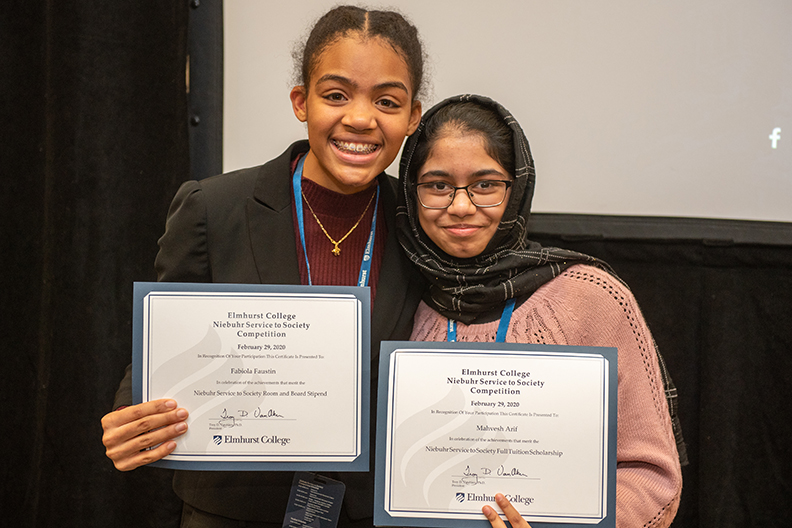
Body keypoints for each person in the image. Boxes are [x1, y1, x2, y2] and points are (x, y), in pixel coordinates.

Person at [101, 5, 427, 527]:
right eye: (336, 94)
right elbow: (166, 344)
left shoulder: (423, 227)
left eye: (387, 101)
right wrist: (133, 415)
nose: (361, 118)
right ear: (302, 102)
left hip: (371, 511)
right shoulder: (214, 208)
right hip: (232, 509)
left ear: (412, 116)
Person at [395, 94, 684, 528]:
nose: (460, 205)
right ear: (410, 191)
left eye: (485, 185)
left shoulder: (593, 299)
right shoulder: (396, 297)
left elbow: (652, 478)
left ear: (517, 188)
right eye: (437, 185)